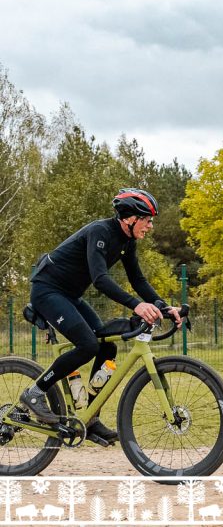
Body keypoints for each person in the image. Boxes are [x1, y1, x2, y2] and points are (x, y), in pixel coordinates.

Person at [21, 188, 181, 444]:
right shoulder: (100, 232)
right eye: (148, 220)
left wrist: (163, 307)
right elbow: (100, 279)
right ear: (131, 218)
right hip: (47, 290)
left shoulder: (127, 243)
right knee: (87, 345)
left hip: (70, 295)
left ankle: (89, 417)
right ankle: (35, 392)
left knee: (107, 347)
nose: (150, 226)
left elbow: (138, 280)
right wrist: (136, 306)